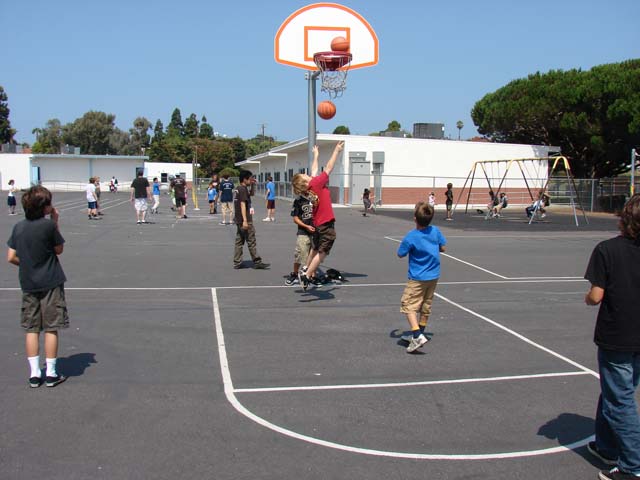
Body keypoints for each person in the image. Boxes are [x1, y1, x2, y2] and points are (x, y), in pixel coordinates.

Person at [584, 194, 640, 480]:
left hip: (618, 334)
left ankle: (632, 465)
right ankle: (606, 446)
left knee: (620, 400)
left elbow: (595, 296)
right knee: (614, 391)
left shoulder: (607, 250)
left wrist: (588, 298)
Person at [7, 185, 68, 388]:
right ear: (45, 207)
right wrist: (55, 222)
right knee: (51, 327)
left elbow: (11, 257)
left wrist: (27, 264)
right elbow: (58, 249)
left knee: (32, 328)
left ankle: (34, 373)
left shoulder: (19, 227)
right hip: (50, 281)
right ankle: (51, 372)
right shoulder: (48, 226)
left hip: (28, 282)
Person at [291, 141, 344, 290]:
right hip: (326, 223)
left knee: (314, 248)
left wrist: (316, 155)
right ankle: (307, 275)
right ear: (304, 181)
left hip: (317, 223)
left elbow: (314, 169)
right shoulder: (317, 183)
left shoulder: (310, 187)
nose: (306, 173)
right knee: (323, 251)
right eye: (304, 174)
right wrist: (336, 151)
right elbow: (328, 167)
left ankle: (305, 268)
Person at [397, 202, 447, 353]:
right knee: (426, 304)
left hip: (418, 277)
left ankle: (417, 335)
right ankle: (420, 333)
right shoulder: (435, 231)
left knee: (408, 304)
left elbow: (400, 253)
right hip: (433, 275)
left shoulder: (411, 236)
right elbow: (443, 248)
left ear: (415, 218)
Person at [233, 170, 269, 270]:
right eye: (250, 179)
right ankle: (257, 261)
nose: (251, 180)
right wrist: (245, 220)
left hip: (239, 219)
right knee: (251, 240)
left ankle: (237, 262)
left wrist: (253, 185)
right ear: (245, 179)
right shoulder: (242, 189)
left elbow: (251, 194)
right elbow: (242, 204)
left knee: (239, 241)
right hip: (245, 219)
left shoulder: (239, 188)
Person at [285, 190, 315, 285]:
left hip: (316, 231)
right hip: (303, 231)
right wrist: (306, 226)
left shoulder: (315, 198)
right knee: (300, 254)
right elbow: (295, 218)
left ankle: (311, 276)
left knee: (313, 255)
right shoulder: (298, 200)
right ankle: (295, 274)